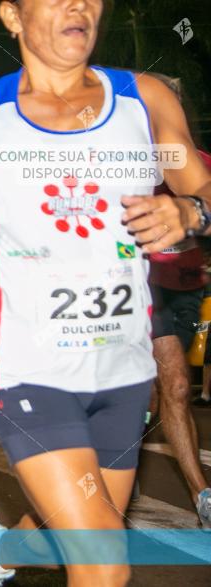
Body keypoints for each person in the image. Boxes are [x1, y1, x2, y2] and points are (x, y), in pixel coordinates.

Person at [0, 1, 211, 585]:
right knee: (102, 558)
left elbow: (198, 181)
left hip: (120, 366)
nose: (79, 5)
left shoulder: (145, 104)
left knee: (63, 533)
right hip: (26, 366)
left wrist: (189, 209)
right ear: (13, 17)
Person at [143, 74, 211, 527]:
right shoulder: (128, 169)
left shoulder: (200, 166)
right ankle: (202, 494)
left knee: (174, 390)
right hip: (152, 289)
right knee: (177, 386)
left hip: (197, 288)